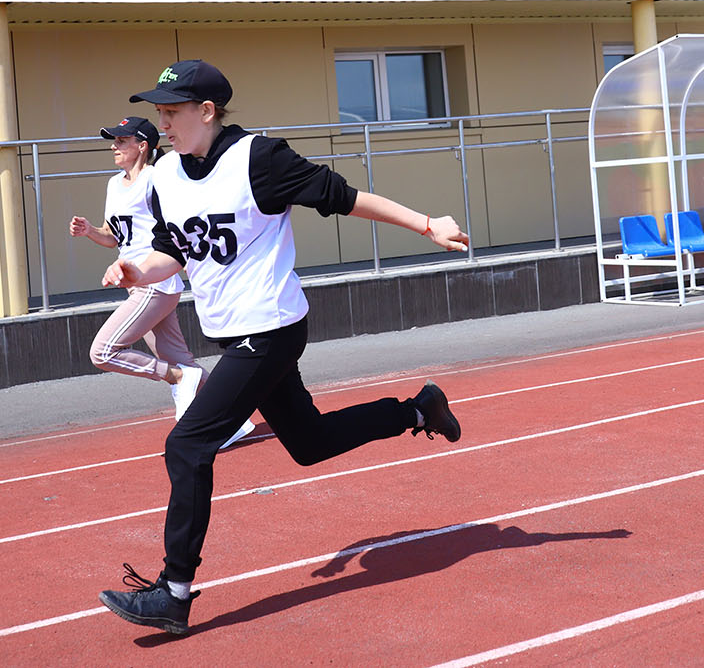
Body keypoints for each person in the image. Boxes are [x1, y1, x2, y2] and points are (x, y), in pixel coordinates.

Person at [96, 59, 470, 637]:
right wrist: (134, 269)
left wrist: (427, 225)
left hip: (268, 329)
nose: (161, 124)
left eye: (171, 113)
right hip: (232, 331)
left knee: (188, 443)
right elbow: (173, 252)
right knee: (309, 443)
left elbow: (347, 198)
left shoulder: (260, 160)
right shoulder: (166, 175)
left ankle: (173, 591)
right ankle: (418, 408)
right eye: (159, 114)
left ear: (207, 111)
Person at [70, 117, 254, 447]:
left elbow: (177, 223)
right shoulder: (114, 184)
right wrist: (90, 232)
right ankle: (234, 421)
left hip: (156, 283)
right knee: (182, 361)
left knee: (104, 352)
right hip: (136, 283)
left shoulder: (158, 179)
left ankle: (181, 379)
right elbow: (115, 236)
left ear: (143, 146)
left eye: (121, 140)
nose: (113, 146)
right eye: (113, 141)